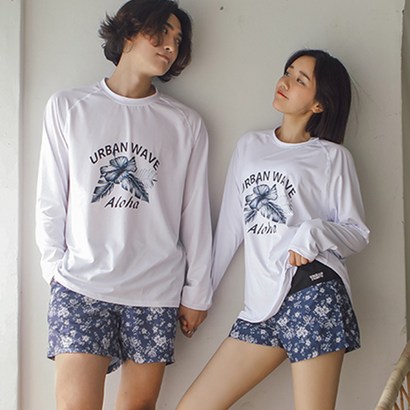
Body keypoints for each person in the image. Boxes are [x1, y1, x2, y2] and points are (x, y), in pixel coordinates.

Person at [35, 1, 212, 408]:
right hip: (81, 285)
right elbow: (50, 199)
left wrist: (197, 292)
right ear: (129, 32)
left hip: (155, 288)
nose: (170, 46)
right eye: (161, 33)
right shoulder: (69, 107)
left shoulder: (185, 124)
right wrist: (54, 269)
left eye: (177, 40)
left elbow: (195, 213)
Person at [177, 49, 370, 410]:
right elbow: (231, 228)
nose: (286, 82)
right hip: (260, 305)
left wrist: (313, 233)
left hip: (312, 292)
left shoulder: (333, 157)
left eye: (301, 80)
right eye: (288, 72)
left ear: (318, 104)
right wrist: (199, 295)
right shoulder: (250, 146)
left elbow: (357, 233)